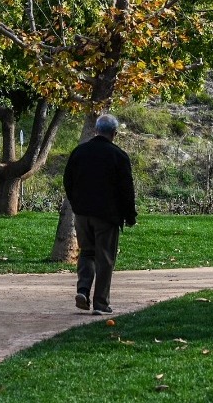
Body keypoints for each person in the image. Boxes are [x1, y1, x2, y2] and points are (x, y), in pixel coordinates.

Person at [63, 114, 137, 315]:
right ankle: (101, 303)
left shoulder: (79, 152)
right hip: (107, 215)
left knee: (87, 253)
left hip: (82, 213)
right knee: (105, 257)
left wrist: (76, 204)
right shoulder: (118, 156)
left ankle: (83, 291)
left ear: (96, 130)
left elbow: (68, 181)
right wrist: (130, 215)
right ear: (114, 133)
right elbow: (126, 189)